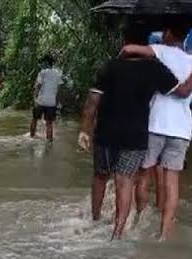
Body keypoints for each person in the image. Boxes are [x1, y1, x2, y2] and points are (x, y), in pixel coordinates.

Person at [78, 25, 192, 240]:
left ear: (124, 41)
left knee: (101, 176)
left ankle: (95, 219)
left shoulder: (110, 66)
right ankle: (118, 232)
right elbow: (183, 92)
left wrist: (84, 131)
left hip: (106, 133)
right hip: (137, 135)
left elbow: (92, 102)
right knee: (126, 180)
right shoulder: (155, 69)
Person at [123, 22, 192, 240]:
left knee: (143, 176)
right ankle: (163, 235)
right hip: (181, 129)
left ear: (169, 33)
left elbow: (131, 49)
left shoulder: (161, 51)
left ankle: (140, 220)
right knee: (172, 182)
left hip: (156, 125)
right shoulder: (191, 61)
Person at [30, 55, 63, 141]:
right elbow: (59, 90)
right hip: (52, 102)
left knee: (34, 119)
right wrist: (57, 102)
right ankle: (49, 142)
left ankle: (31, 137)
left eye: (43, 62)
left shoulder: (42, 72)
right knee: (49, 123)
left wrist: (34, 98)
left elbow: (38, 86)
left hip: (41, 101)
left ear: (46, 63)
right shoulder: (58, 73)